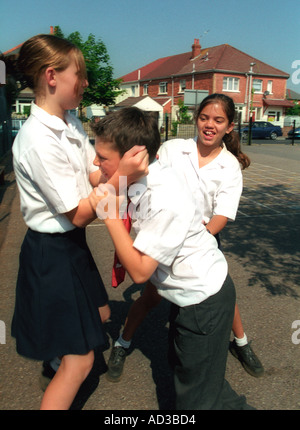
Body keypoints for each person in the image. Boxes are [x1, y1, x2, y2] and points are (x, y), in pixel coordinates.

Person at [11, 34, 148, 410]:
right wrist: (121, 179)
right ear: (52, 76)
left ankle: (56, 357)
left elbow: (92, 173)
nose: (85, 82)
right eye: (80, 74)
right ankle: (63, 365)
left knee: (101, 312)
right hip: (51, 250)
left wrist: (124, 175)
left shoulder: (68, 121)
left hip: (71, 245)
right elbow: (80, 213)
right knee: (82, 359)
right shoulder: (38, 140)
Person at [89, 106, 253, 409]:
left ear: (133, 157)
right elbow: (95, 178)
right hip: (189, 297)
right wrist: (113, 178)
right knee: (192, 379)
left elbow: (139, 272)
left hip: (203, 302)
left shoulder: (165, 198)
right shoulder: (143, 173)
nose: (96, 163)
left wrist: (109, 217)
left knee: (197, 401)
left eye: (102, 158)